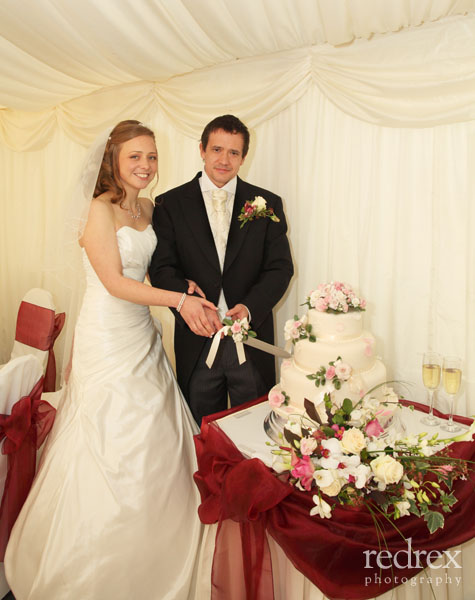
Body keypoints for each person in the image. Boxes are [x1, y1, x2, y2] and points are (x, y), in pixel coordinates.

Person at [4, 120, 214, 600]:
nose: (146, 166)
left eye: (152, 157)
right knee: (110, 436)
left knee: (157, 432)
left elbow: (154, 269)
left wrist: (181, 286)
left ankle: (160, 543)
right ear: (114, 161)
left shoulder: (147, 208)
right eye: (135, 157)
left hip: (142, 334)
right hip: (108, 333)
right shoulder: (99, 210)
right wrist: (177, 303)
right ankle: (88, 561)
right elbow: (116, 283)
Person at [149, 114, 293, 425]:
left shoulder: (267, 203)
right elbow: (161, 268)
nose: (224, 160)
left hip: (251, 343)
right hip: (197, 341)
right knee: (203, 433)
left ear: (244, 157)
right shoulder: (168, 205)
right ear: (201, 149)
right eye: (216, 150)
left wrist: (250, 308)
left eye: (233, 152)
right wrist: (190, 307)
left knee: (256, 430)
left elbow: (280, 268)